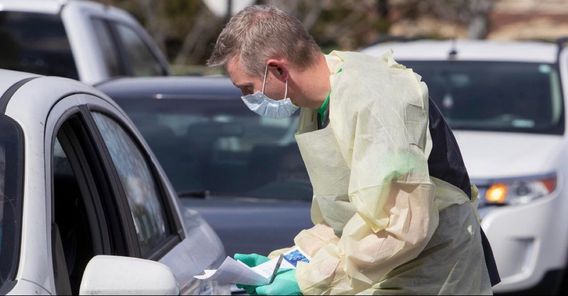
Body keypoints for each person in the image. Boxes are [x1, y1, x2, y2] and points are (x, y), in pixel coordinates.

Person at [207, 5, 500, 295]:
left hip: (432, 273)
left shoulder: (373, 99)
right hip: (384, 271)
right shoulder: (318, 105)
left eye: (247, 88)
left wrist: (308, 279)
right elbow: (340, 220)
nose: (247, 98)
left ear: (278, 69)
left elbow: (400, 229)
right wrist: (283, 264)